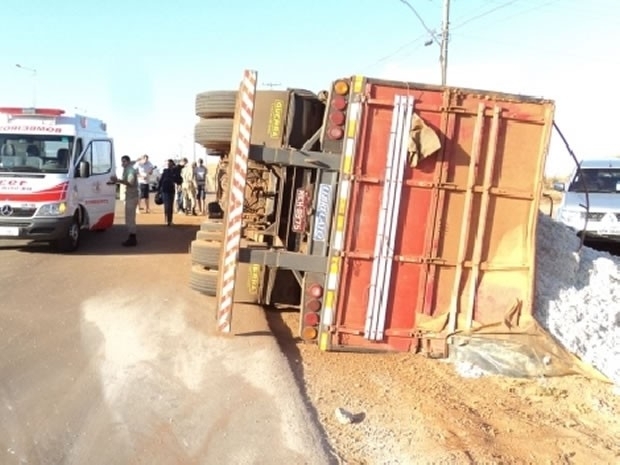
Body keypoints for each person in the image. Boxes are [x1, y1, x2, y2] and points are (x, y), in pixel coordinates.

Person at [109, 155, 139, 246]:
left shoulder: (130, 171)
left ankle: (132, 238)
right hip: (129, 196)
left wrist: (118, 180)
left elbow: (130, 183)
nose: (122, 163)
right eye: (122, 162)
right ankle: (131, 237)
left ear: (128, 162)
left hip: (131, 196)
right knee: (129, 218)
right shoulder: (127, 170)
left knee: (130, 218)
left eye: (124, 161)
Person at [157, 159, 180, 226]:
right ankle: (167, 220)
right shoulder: (165, 172)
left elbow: (179, 180)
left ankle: (169, 220)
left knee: (170, 206)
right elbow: (161, 181)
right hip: (165, 190)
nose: (169, 165)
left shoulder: (175, 172)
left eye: (170, 164)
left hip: (171, 190)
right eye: (168, 164)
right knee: (167, 206)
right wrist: (158, 191)